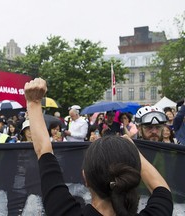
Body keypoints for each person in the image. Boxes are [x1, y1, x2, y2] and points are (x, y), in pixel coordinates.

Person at [24, 78, 173, 216]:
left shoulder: (64, 211)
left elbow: (43, 150)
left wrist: (34, 102)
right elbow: (161, 189)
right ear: (133, 176)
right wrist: (132, 150)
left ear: (85, 178)